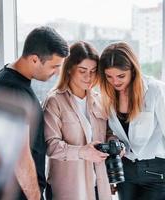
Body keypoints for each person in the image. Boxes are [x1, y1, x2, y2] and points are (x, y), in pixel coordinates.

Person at [98, 42, 165, 200]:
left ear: (133, 70)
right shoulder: (108, 95)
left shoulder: (156, 91)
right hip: (125, 172)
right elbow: (113, 131)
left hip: (156, 172)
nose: (115, 82)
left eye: (121, 76)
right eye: (109, 76)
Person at [0, 26, 69, 199]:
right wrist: (35, 196)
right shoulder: (14, 91)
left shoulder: (6, 76)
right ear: (34, 59)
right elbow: (20, 157)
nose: (57, 73)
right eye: (54, 66)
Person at [43, 41, 112, 200]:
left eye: (94, 71)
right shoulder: (54, 101)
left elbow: (108, 133)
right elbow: (50, 146)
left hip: (99, 187)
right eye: (83, 71)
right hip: (69, 188)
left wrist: (114, 142)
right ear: (69, 69)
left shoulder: (99, 100)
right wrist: (82, 152)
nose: (89, 77)